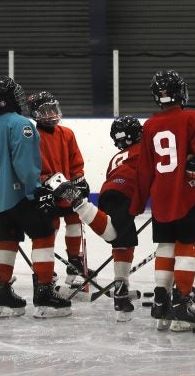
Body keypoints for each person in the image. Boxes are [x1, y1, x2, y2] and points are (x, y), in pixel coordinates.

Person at [133, 70, 195, 331]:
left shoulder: (149, 125)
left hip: (161, 195)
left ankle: (160, 301)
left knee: (165, 244)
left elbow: (145, 169)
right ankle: (182, 301)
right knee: (187, 245)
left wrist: (137, 204)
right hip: (188, 193)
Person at [0, 76, 71, 319]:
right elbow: (25, 165)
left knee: (6, 241)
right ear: (6, 100)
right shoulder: (22, 124)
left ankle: (2, 295)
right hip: (20, 195)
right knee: (44, 234)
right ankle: (44, 293)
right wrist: (36, 191)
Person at [51, 115, 144, 322]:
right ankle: (80, 203)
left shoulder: (117, 156)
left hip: (109, 192)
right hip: (127, 193)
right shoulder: (143, 150)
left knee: (124, 241)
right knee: (113, 233)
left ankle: (121, 288)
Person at [26, 91, 90, 293]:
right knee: (48, 228)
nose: (51, 114)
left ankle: (74, 264)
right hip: (46, 190)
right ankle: (47, 272)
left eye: (53, 109)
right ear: (36, 114)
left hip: (67, 187)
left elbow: (75, 162)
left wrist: (79, 179)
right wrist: (44, 183)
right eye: (45, 111)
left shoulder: (67, 133)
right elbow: (31, 167)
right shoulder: (32, 136)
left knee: (75, 219)